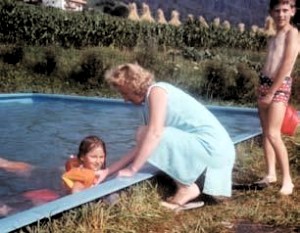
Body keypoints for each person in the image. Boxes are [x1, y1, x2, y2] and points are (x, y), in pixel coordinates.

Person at [98, 63, 236, 210]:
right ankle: (188, 189)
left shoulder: (157, 91)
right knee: (145, 134)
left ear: (132, 85)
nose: (125, 99)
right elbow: (142, 146)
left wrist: (132, 170)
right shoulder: (149, 100)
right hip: (217, 150)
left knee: (144, 132)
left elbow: (155, 134)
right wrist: (108, 171)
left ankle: (186, 187)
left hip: (214, 149)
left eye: (124, 93)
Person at [257, 0, 299, 195]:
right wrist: (263, 87)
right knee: (266, 132)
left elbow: (287, 62)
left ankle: (288, 181)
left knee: (274, 133)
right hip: (265, 83)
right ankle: (271, 173)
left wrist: (272, 91)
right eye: (277, 11)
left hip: (279, 86)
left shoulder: (293, 33)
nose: (281, 15)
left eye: (285, 10)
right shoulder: (274, 37)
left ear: (292, 11)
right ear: (271, 13)